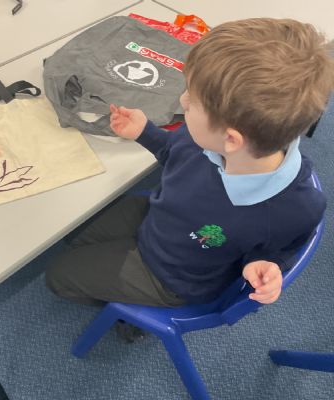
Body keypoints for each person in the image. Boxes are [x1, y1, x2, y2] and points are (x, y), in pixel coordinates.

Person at [46, 18, 333, 313]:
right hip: (159, 217)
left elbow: (282, 246)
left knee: (58, 276)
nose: (182, 101)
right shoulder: (209, 137)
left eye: (192, 101)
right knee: (73, 233)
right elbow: (175, 152)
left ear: (231, 139)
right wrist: (145, 132)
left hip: (171, 278)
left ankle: (126, 319)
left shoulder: (296, 209)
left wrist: (265, 264)